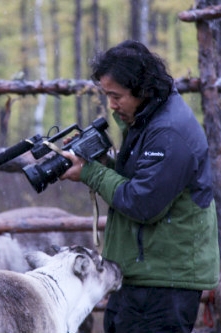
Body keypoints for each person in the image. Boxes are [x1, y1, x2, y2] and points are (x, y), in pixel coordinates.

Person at [60, 40, 220, 332]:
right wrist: (95, 163)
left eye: (115, 95)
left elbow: (143, 203)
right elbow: (140, 180)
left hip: (162, 283)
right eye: (106, 95)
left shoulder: (168, 131)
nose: (111, 104)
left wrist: (91, 173)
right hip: (140, 276)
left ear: (143, 88)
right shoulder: (147, 119)